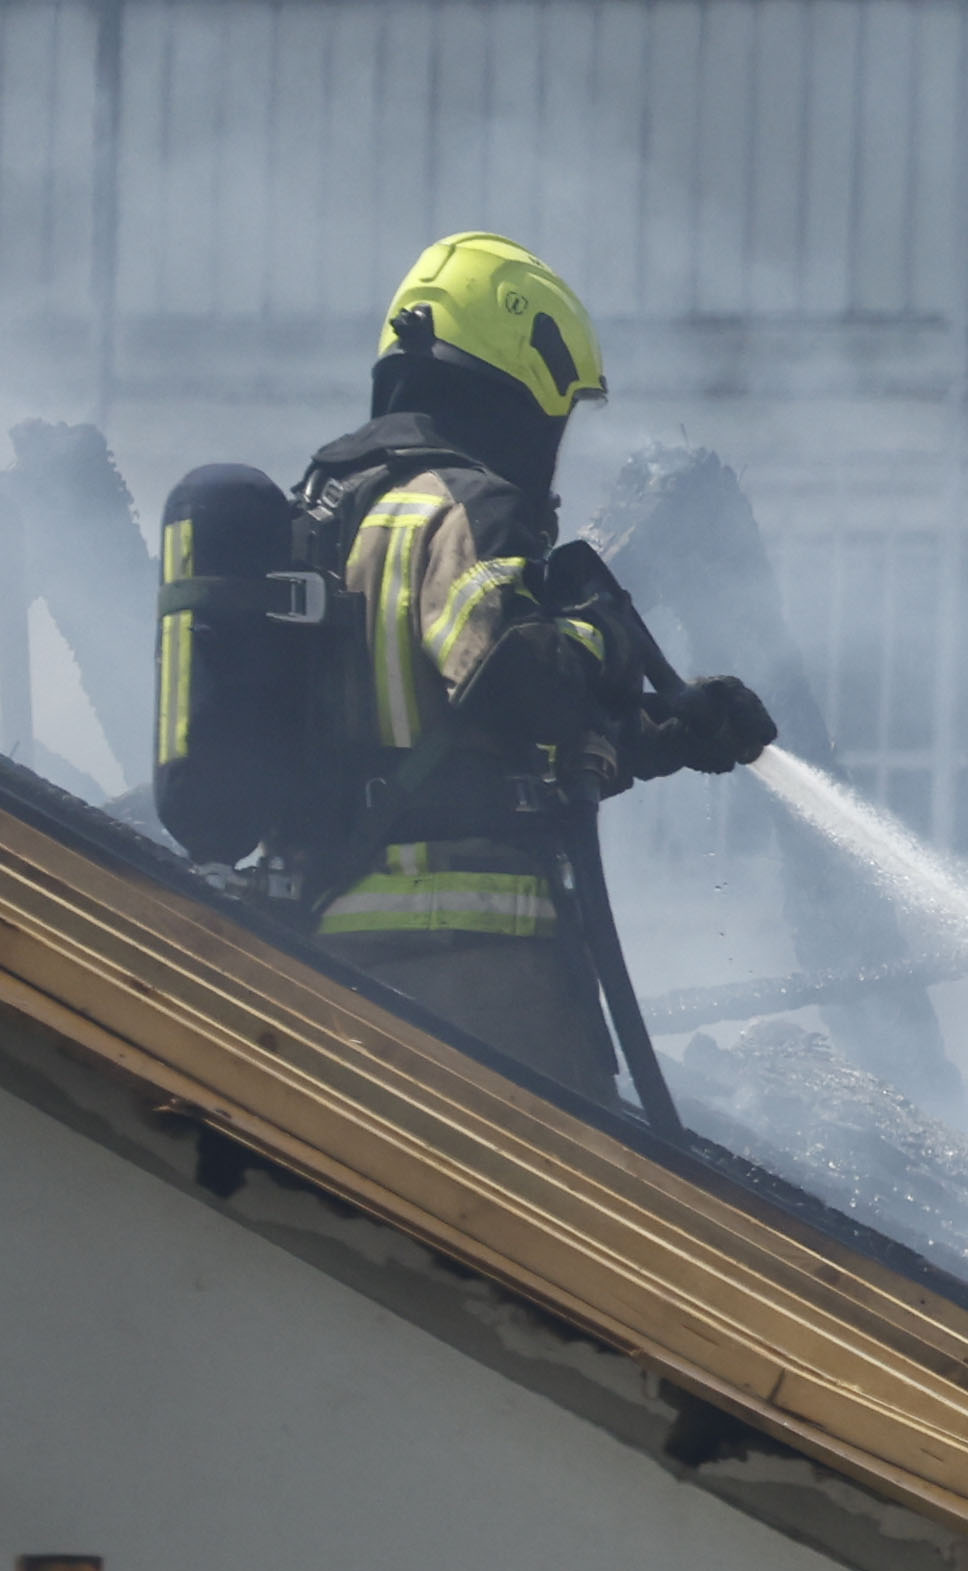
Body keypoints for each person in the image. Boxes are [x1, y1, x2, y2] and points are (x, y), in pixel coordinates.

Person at [292, 232, 775, 1098]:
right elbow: (516, 675)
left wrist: (667, 731)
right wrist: (608, 634)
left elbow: (475, 747)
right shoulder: (466, 504)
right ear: (514, 388)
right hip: (472, 977)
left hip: (335, 954)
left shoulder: (336, 506)